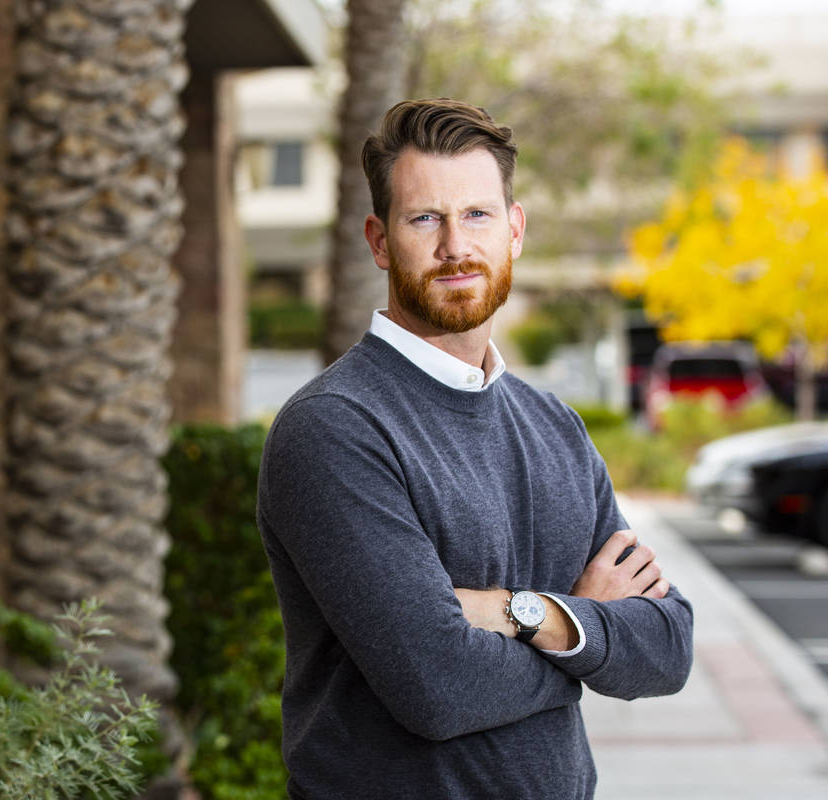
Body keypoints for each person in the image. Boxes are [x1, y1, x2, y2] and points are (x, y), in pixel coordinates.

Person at [256, 98, 694, 799]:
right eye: (425, 218)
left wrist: (521, 612)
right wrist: (587, 627)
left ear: (514, 230)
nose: (456, 246)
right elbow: (438, 688)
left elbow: (668, 646)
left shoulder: (556, 426)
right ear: (378, 240)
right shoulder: (334, 428)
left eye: (478, 215)